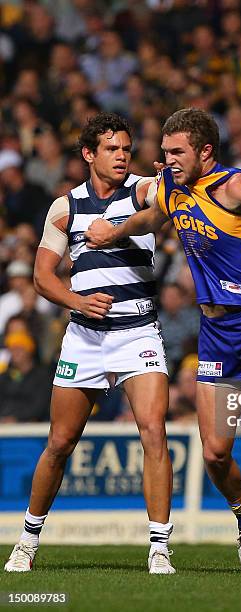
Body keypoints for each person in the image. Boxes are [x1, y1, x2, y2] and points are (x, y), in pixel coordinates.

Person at [85, 107, 241, 577]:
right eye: (163, 152)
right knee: (214, 453)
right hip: (215, 332)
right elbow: (150, 218)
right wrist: (114, 230)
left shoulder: (237, 186)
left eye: (176, 152)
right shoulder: (170, 186)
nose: (166, 161)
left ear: (205, 151)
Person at [4, 112, 175, 575]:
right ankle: (27, 540)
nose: (122, 156)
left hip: (137, 330)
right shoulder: (65, 208)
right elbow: (42, 276)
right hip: (84, 336)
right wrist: (78, 299)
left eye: (125, 148)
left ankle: (159, 546)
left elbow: (162, 210)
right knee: (59, 442)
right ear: (88, 155)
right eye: (112, 149)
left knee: (154, 432)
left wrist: (153, 197)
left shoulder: (142, 189)